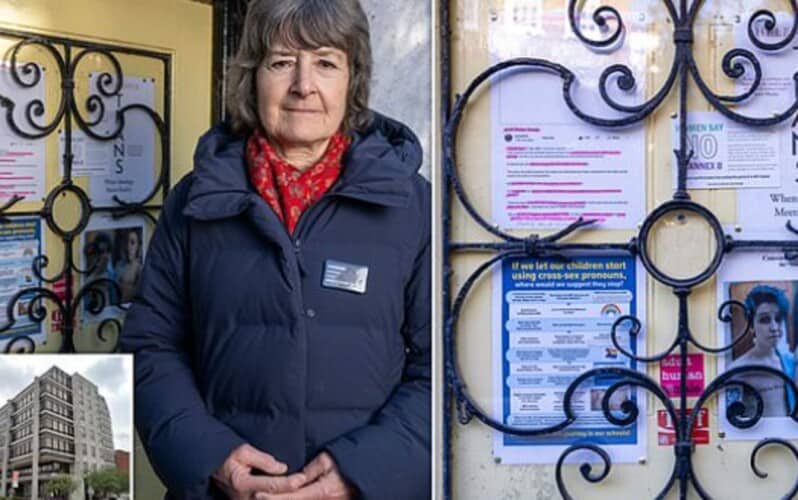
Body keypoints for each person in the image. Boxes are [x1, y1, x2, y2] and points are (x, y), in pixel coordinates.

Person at [120, 1, 430, 499]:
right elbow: (150, 347)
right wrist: (210, 457)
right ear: (253, 76)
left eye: (326, 62)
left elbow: (439, 368)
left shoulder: (411, 205)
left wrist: (360, 473)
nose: (303, 84)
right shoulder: (195, 201)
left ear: (353, 80)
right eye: (282, 61)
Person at [728, 285, 796, 417]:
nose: (774, 327)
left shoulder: (789, 361)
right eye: (765, 320)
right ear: (751, 325)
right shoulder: (738, 369)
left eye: (778, 319)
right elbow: (731, 419)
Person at [114, 229, 143, 303]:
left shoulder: (140, 268)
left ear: (138, 246)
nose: (128, 247)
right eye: (126, 242)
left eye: (132, 243)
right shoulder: (118, 266)